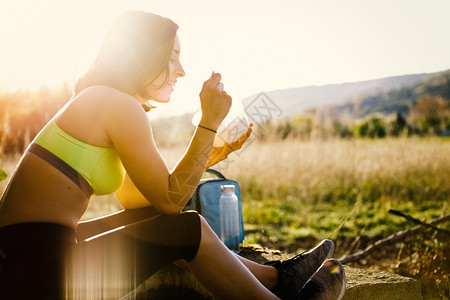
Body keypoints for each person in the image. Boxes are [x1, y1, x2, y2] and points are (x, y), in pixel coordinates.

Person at [0, 11, 345, 300]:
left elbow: (146, 201)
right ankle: (276, 289)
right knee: (187, 226)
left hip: (31, 260)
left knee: (161, 221)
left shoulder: (105, 101)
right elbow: (170, 202)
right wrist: (209, 121)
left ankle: (276, 278)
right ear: (143, 57)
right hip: (34, 272)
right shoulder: (116, 104)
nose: (181, 71)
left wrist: (208, 154)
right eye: (172, 57)